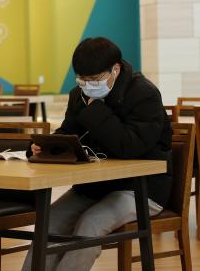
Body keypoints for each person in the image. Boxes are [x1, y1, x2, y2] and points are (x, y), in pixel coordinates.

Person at [22, 37, 172, 271]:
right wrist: (41, 147)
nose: (88, 85)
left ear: (116, 69)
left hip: (140, 189)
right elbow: (68, 135)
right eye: (82, 79)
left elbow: (130, 146)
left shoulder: (145, 94)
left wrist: (96, 110)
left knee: (89, 225)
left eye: (94, 79)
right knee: (48, 223)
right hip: (94, 186)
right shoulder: (79, 94)